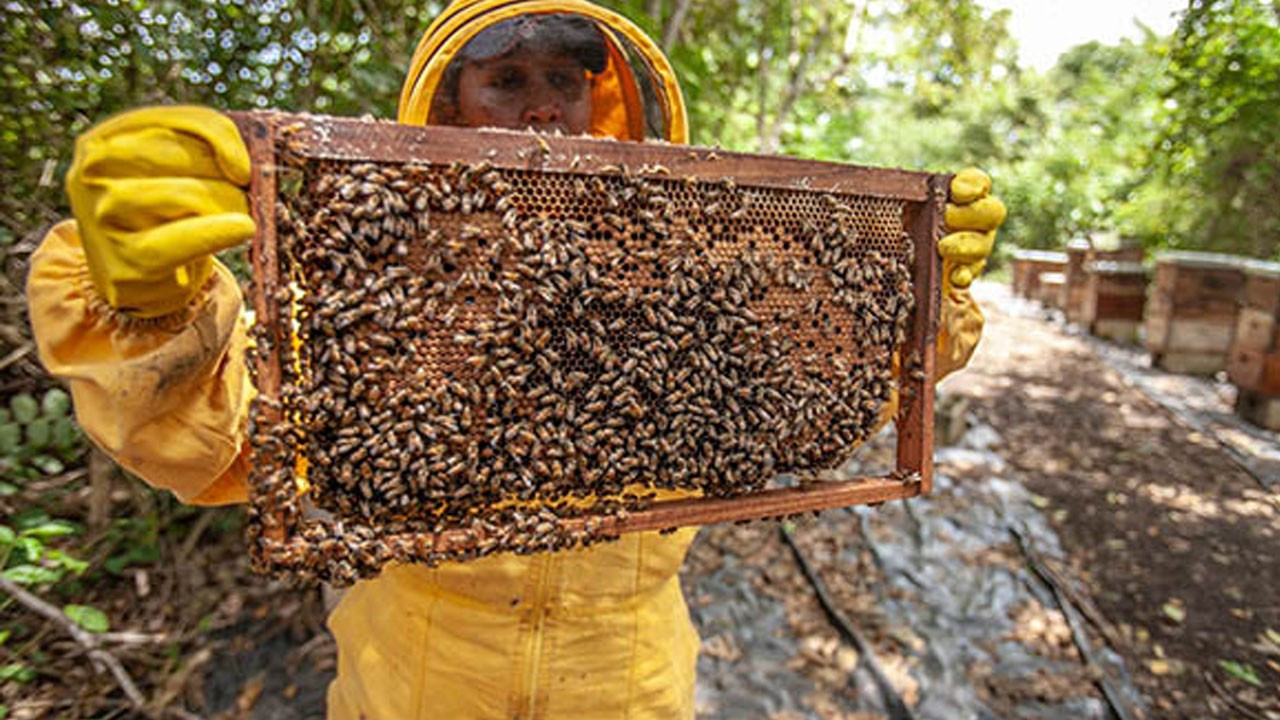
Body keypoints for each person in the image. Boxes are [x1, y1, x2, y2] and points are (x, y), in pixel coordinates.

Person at [25, 1, 1006, 717]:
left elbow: (810, 396)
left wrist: (916, 303)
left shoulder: (688, 274)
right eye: (505, 80)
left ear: (602, 103)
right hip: (412, 687)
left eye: (564, 83)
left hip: (628, 689)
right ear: (444, 109)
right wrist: (150, 312)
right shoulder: (379, 281)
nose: (541, 114)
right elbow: (218, 443)